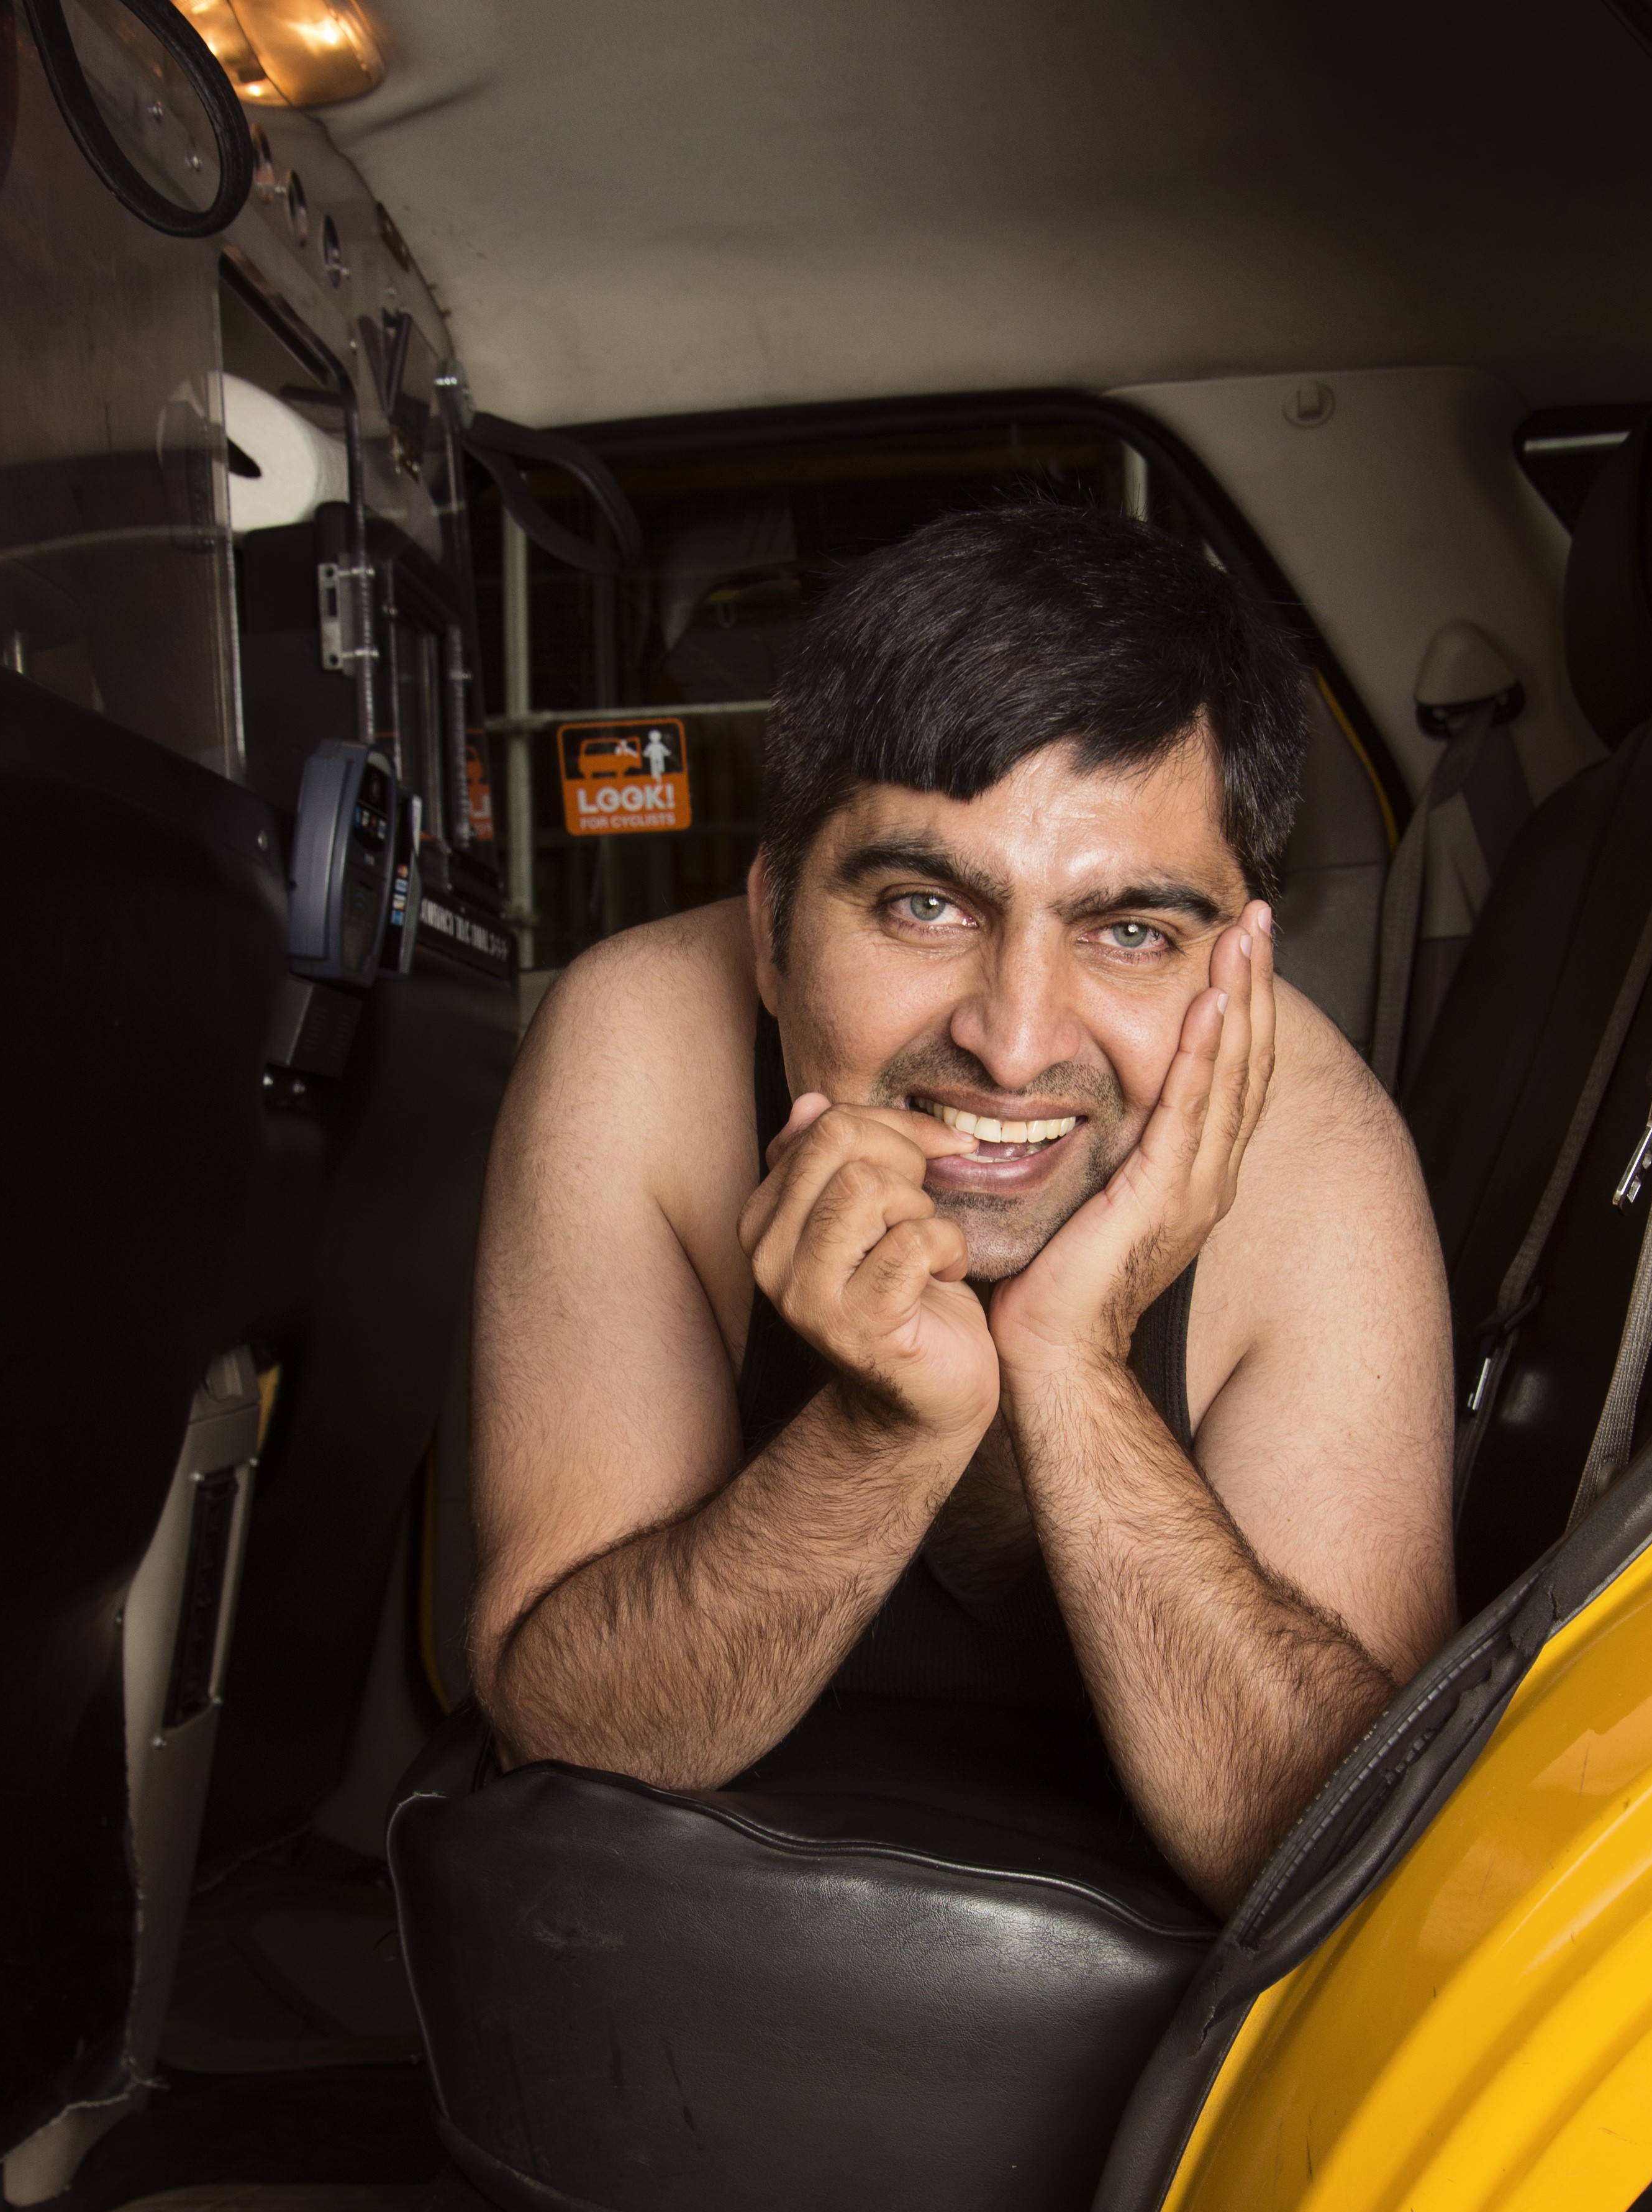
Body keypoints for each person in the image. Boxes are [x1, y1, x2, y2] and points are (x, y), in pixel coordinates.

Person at [466, 503, 1456, 1909]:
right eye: (925, 905)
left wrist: (1069, 1359)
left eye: (1130, 931)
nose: (1012, 1039)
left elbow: (1347, 1862)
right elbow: (570, 1743)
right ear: (770, 927)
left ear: (1236, 964)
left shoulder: (1320, 1142)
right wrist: (889, 1430)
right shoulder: (635, 1042)